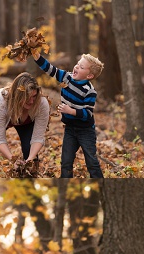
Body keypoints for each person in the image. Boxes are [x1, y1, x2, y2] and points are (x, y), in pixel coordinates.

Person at [31, 48, 104, 178]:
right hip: (70, 129)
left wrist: (70, 111)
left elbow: (88, 113)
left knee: (91, 162)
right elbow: (51, 70)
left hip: (86, 131)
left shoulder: (90, 91)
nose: (76, 67)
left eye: (81, 67)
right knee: (66, 161)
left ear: (89, 76)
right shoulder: (67, 78)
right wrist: (37, 57)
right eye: (77, 64)